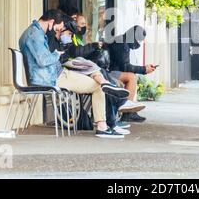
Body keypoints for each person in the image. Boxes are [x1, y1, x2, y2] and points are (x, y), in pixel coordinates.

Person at [19, 9, 123, 138]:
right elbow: (43, 60)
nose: (57, 32)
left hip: (53, 74)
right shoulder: (34, 35)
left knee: (93, 74)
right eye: (58, 28)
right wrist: (57, 54)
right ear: (51, 22)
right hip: (51, 78)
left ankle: (104, 84)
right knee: (98, 87)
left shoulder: (35, 33)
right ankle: (102, 126)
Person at [108, 25, 157, 123]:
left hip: (112, 71)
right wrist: (143, 69)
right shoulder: (122, 43)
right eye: (138, 40)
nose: (138, 43)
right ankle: (128, 113)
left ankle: (128, 111)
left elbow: (125, 66)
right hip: (109, 72)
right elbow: (125, 67)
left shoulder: (122, 41)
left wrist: (144, 69)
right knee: (131, 77)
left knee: (131, 75)